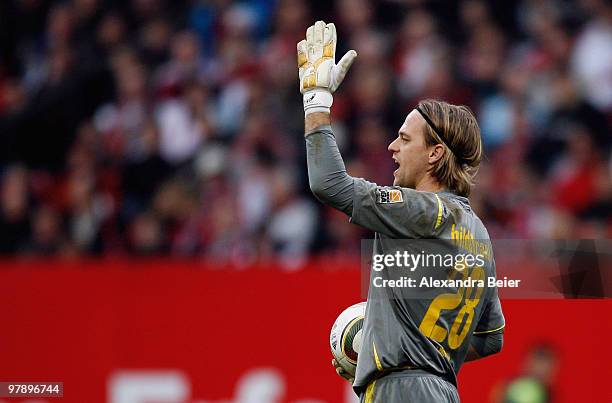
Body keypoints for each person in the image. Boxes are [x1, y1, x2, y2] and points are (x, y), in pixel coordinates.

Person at [298, 21, 505, 402]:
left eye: (405, 139)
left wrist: (316, 99)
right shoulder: (478, 234)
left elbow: (329, 183)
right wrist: (410, 345)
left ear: (434, 154)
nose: (393, 147)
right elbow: (491, 339)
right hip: (442, 391)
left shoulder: (421, 210)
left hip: (403, 390)